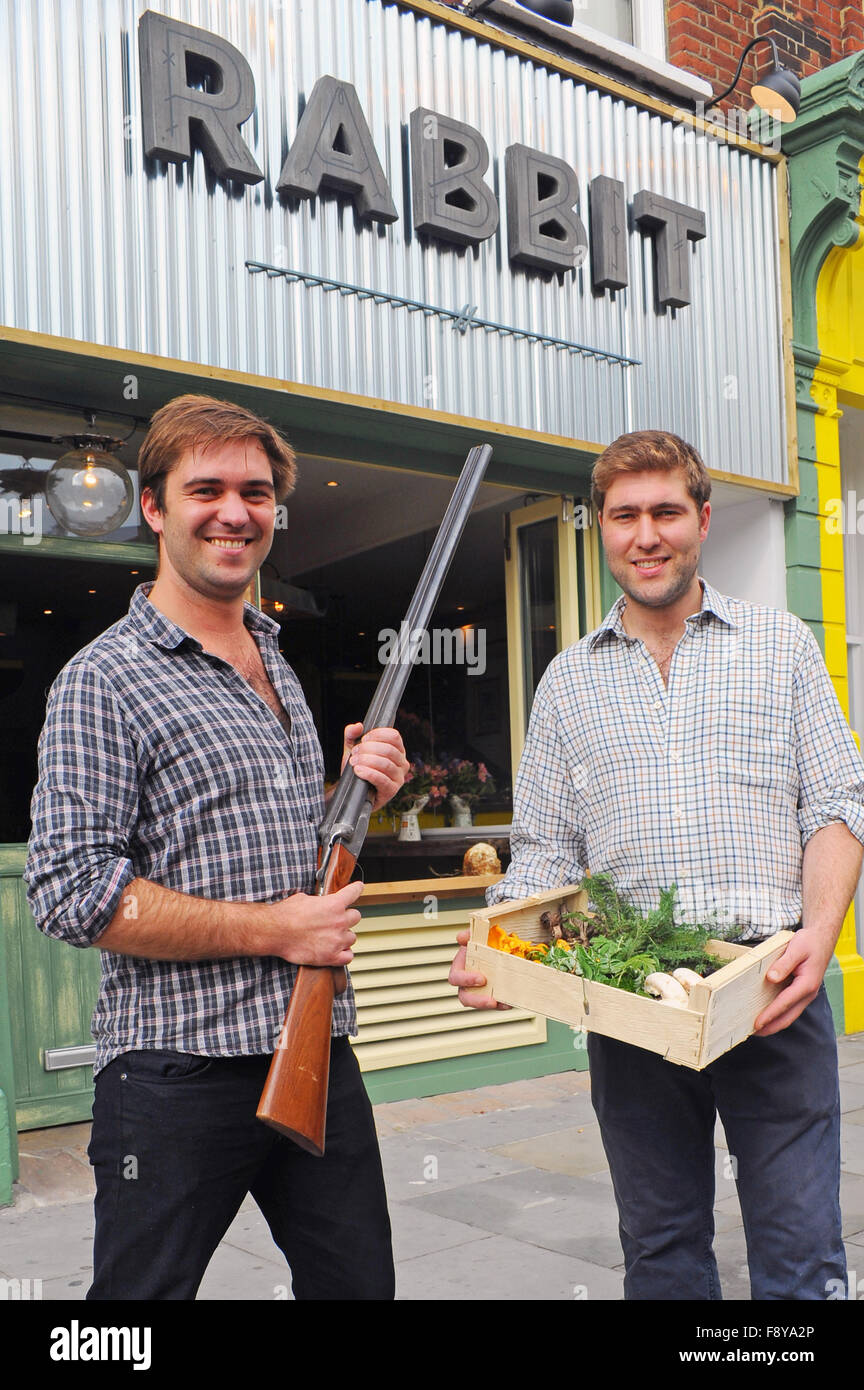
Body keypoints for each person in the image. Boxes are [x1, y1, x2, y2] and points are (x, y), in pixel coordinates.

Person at [449, 429, 864, 1301]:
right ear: (599, 528)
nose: (647, 535)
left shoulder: (781, 647)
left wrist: (818, 940)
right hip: (631, 1001)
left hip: (772, 988)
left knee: (802, 1253)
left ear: (703, 520)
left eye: (667, 511)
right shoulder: (567, 681)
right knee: (663, 1252)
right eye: (625, 515)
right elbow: (548, 852)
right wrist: (494, 944)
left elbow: (837, 808)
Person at [25, 394, 409, 1301]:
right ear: (154, 507)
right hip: (174, 1076)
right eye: (207, 489)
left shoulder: (275, 658)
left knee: (361, 1292)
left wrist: (349, 791)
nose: (235, 512)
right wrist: (278, 931)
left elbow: (266, 845)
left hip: (314, 1053)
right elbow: (71, 891)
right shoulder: (103, 679)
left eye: (256, 491)